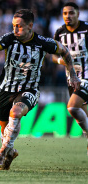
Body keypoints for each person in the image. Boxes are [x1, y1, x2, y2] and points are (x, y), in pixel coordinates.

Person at [0, 9, 81, 170]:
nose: (15, 29)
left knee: (16, 113)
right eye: (13, 26)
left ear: (30, 26)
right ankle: (10, 152)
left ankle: (2, 151)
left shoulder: (42, 42)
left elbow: (64, 51)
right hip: (6, 89)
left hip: (30, 89)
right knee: (5, 131)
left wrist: (73, 75)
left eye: (19, 26)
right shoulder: (9, 39)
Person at [52, 2, 88, 156]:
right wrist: (62, 61)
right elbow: (53, 55)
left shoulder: (87, 29)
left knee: (72, 107)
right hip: (71, 78)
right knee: (84, 114)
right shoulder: (59, 32)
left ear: (78, 14)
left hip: (86, 76)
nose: (68, 16)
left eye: (71, 13)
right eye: (65, 13)